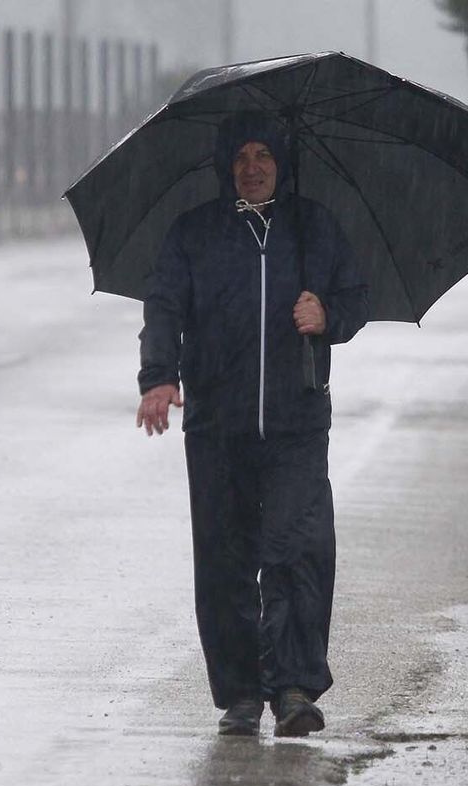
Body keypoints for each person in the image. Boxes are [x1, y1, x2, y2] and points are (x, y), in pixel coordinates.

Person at [134, 112, 369, 738]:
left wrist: (330, 313)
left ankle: (294, 689)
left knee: (297, 554)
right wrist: (158, 377)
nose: (253, 166)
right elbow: (163, 305)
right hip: (217, 426)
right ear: (225, 166)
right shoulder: (194, 234)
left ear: (282, 163)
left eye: (264, 153)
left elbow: (355, 295)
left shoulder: (313, 227)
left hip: (297, 422)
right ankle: (240, 694)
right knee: (225, 561)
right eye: (241, 155)